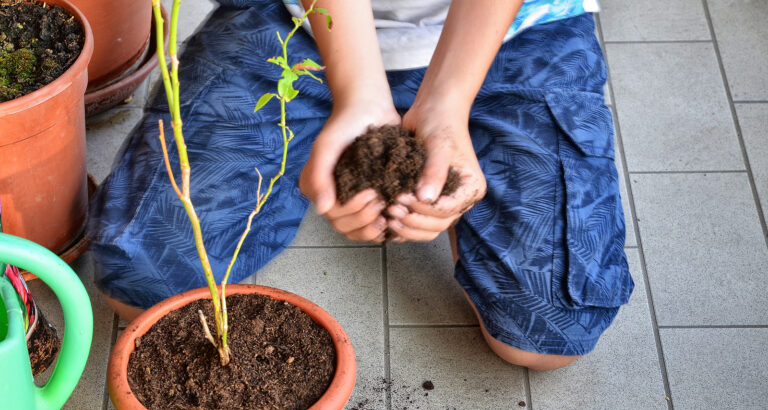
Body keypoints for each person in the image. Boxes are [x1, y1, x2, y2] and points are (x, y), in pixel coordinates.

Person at [87, 0, 633, 371]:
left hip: (514, 29)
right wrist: (359, 92)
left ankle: (466, 172)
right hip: (296, 19)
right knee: (144, 283)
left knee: (547, 338)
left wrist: (447, 104)